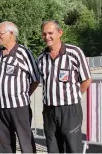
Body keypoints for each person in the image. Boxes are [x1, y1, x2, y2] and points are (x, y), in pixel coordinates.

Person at [38, 20, 92, 153]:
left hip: (70, 110)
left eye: (50, 33)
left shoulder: (74, 52)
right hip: (49, 110)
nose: (47, 37)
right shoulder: (41, 58)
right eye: (44, 34)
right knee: (53, 147)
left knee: (73, 148)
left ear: (60, 33)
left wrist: (75, 95)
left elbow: (86, 80)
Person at [0, 21, 39, 153]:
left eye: (0, 33)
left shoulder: (23, 52)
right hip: (1, 107)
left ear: (11, 34)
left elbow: (35, 79)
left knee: (25, 142)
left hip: (19, 107)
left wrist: (24, 95)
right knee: (5, 144)